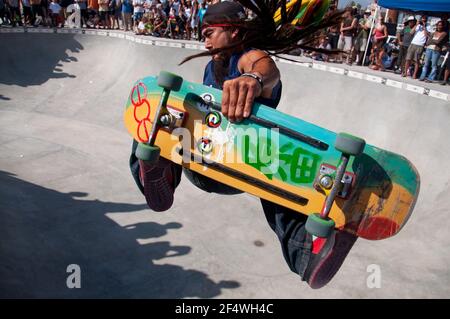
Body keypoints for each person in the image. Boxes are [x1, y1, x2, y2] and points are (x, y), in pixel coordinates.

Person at [129, 1, 356, 289]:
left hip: (243, 170)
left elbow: (267, 68)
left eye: (210, 32)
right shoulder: (213, 67)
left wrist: (253, 79)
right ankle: (161, 175)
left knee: (276, 162)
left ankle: (309, 255)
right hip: (199, 161)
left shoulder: (247, 57)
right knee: (154, 114)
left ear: (234, 31)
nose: (205, 40)